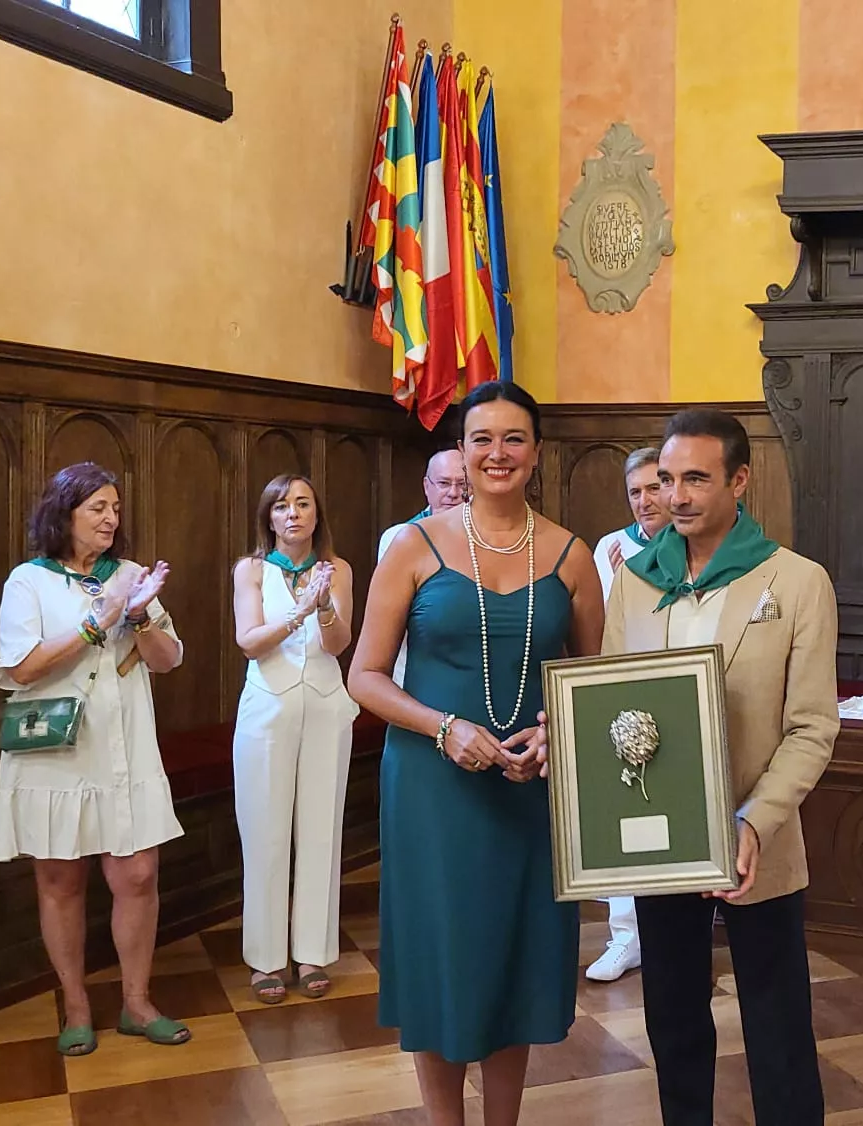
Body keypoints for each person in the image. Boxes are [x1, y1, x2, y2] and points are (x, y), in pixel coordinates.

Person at [348, 381, 603, 1126]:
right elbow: (364, 675)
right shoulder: (413, 546)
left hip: (529, 788)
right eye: (481, 438)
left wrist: (558, 730)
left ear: (536, 453)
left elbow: (592, 681)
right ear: (460, 450)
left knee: (513, 958)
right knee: (443, 953)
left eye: (513, 438)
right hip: (432, 787)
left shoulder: (572, 555)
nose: (497, 453)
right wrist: (441, 727)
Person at [603, 407, 840, 1126]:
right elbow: (613, 702)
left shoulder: (798, 581)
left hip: (753, 837)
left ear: (740, 479)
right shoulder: (635, 582)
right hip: (661, 835)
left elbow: (811, 728)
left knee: (776, 1022)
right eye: (668, 478)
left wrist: (754, 822)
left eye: (696, 479)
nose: (676, 495)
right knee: (672, 1016)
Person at [0, 462, 190, 1056]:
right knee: (61, 878)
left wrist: (141, 612)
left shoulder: (129, 575)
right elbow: (20, 668)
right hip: (56, 749)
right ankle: (74, 1004)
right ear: (63, 513)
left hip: (125, 742)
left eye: (115, 509)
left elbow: (167, 659)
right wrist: (101, 620)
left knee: (137, 873)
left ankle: (137, 1003)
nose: (110, 519)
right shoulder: (28, 581)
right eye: (97, 508)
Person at [232, 475, 358, 1004]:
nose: (293, 515)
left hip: (327, 705)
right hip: (269, 707)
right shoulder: (253, 570)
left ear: (315, 513)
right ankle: (266, 958)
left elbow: (339, 642)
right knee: (264, 832)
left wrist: (325, 605)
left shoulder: (339, 568)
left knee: (321, 830)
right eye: (282, 506)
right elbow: (249, 642)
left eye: (303, 504)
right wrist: (298, 610)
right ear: (269, 517)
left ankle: (312, 952)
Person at [585, 445, 666, 984]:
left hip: (673, 692)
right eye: (634, 492)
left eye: (653, 488)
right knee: (624, 813)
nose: (644, 501)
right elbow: (597, 628)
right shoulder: (610, 547)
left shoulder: (692, 544)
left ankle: (672, 934)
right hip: (622, 694)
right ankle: (624, 937)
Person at [378, 448, 468, 684]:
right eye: (444, 483)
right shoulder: (398, 538)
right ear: (427, 487)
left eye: (462, 484)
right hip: (414, 672)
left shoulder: (487, 537)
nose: (454, 493)